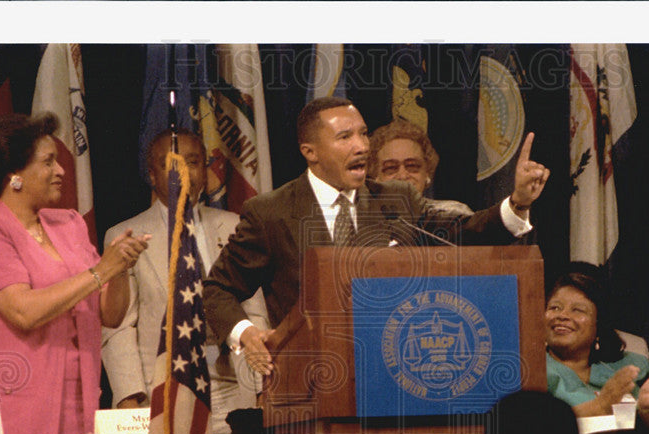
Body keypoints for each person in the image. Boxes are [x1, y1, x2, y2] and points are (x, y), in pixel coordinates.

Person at [203, 96, 549, 377]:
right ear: (310, 151)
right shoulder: (270, 212)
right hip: (312, 379)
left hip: (397, 373)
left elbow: (463, 232)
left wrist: (517, 203)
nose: (362, 146)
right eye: (345, 137)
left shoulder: (396, 199)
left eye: (364, 134)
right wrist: (244, 334)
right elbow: (219, 289)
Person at [0, 112, 149, 434]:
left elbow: (111, 315)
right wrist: (102, 271)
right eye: (49, 162)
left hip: (75, 404)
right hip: (4, 409)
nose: (61, 171)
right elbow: (24, 311)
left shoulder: (69, 224)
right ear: (15, 176)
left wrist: (120, 266)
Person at [101, 129, 269, 434]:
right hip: (162, 390)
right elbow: (119, 327)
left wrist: (260, 388)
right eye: (171, 164)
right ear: (152, 175)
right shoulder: (123, 235)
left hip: (234, 390)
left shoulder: (236, 227)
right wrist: (130, 398)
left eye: (192, 162)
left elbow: (254, 312)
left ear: (205, 171)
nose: (183, 172)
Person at [544, 269, 649, 427]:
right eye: (555, 308)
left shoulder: (629, 366)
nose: (563, 315)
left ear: (599, 325)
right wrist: (602, 405)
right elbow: (540, 429)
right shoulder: (530, 372)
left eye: (577, 310)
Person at [367, 119, 471, 214]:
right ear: (376, 177)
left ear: (427, 173)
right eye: (391, 168)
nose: (402, 176)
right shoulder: (359, 223)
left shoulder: (453, 214)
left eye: (412, 166)